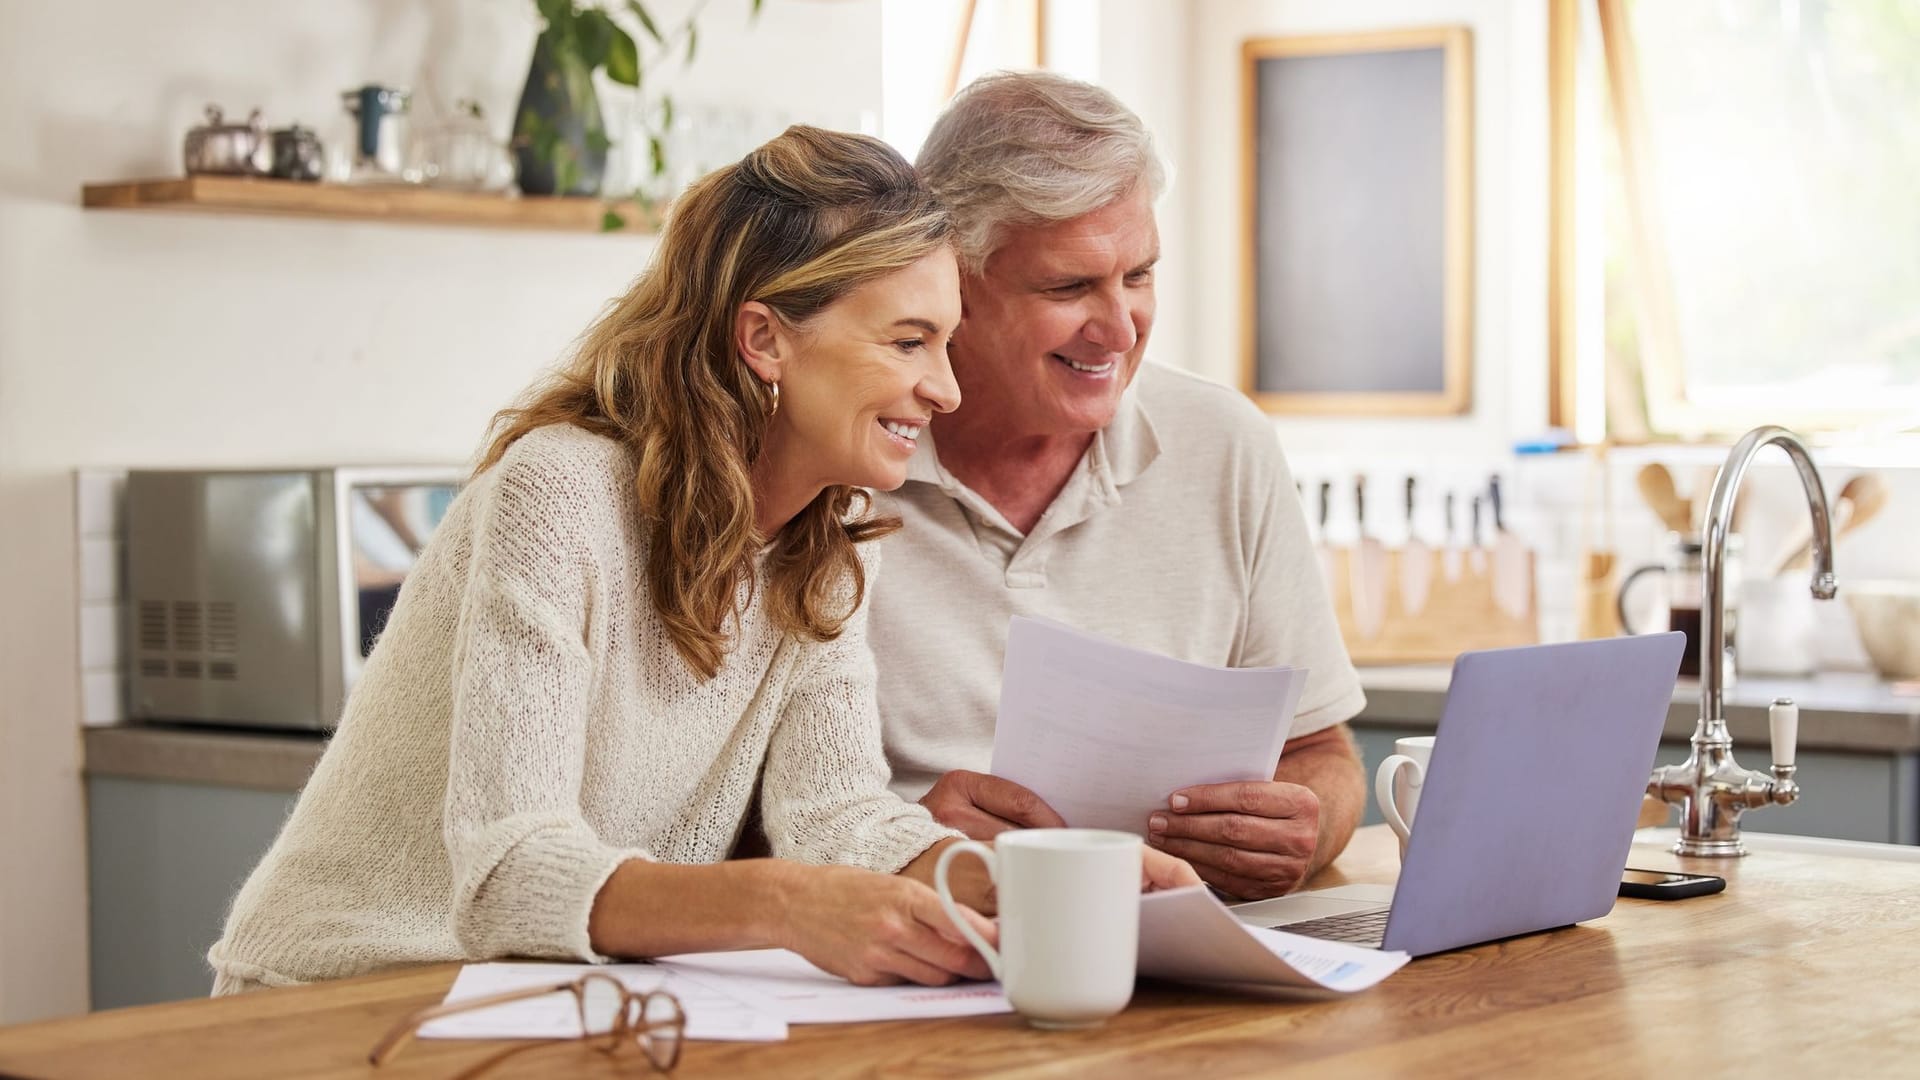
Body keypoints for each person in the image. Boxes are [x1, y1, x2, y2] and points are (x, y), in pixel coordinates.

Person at [210, 126, 1191, 997]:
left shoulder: (827, 539)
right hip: (341, 995)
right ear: (765, 338)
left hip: (546, 1007)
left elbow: (837, 815)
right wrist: (784, 905)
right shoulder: (560, 495)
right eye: (907, 342)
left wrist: (1038, 876)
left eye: (944, 344)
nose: (941, 388)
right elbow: (508, 874)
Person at [869, 72, 1369, 901]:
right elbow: (721, 816)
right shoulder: (843, 460)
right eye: (1070, 287)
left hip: (1180, 959)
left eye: (1138, 275)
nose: (1120, 326)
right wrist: (897, 843)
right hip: (922, 957)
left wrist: (1301, 829)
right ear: (953, 278)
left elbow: (1324, 756)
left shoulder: (1224, 443)